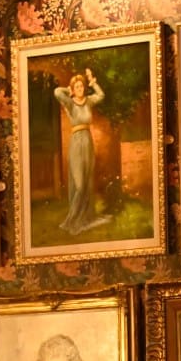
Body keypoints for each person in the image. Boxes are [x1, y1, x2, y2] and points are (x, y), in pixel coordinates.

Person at [55, 69, 111, 236]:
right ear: (74, 89)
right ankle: (73, 220)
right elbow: (57, 92)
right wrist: (69, 90)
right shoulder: (70, 103)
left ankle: (86, 216)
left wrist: (92, 82)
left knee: (87, 182)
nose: (80, 89)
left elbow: (101, 95)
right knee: (79, 185)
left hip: (88, 142)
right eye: (77, 86)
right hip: (76, 143)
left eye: (81, 86)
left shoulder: (88, 102)